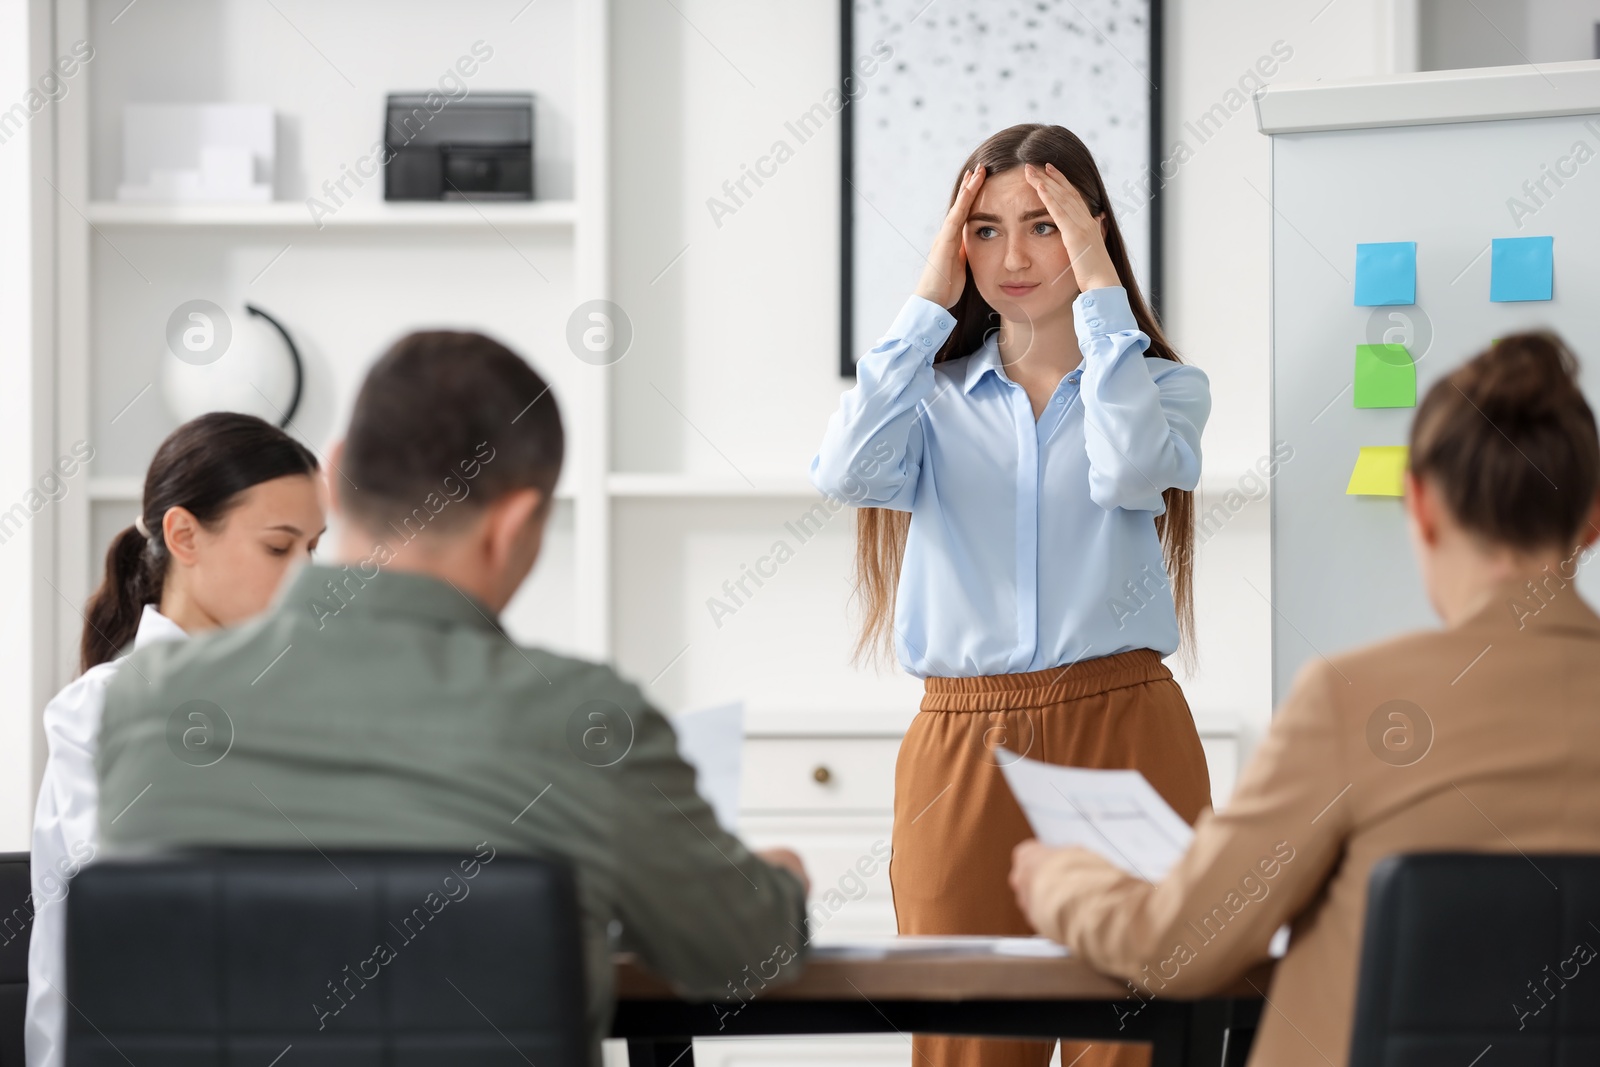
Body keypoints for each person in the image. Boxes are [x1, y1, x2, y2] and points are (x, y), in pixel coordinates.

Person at [95, 330, 811, 1065]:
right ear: (514, 526)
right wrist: (779, 882)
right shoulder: (584, 721)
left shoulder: (146, 702)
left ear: (334, 479)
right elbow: (742, 953)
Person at [1010, 332, 1600, 1066]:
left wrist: (1063, 878)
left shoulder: (1357, 704)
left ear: (1420, 506)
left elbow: (1181, 944)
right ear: (1593, 517)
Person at [810, 123, 1210, 1067]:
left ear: (1090, 232)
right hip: (961, 741)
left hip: (1125, 727)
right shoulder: (930, 398)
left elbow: (1127, 471)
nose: (1013, 256)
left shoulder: (1165, 388)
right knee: (968, 1040)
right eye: (983, 231)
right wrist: (923, 306)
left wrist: (1103, 293)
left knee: (1138, 1039)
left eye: (1043, 225)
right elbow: (844, 471)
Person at [25, 412, 325, 1067]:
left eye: (314, 548)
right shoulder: (102, 710)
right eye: (280, 547)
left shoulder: (304, 705)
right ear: (184, 535)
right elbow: (112, 941)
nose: (307, 575)